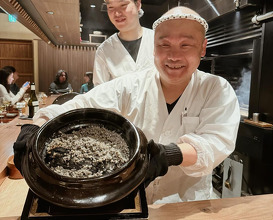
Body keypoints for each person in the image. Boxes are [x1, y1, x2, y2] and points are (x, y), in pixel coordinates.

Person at [14, 6, 240, 204]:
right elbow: (83, 104)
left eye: (185, 45)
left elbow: (216, 142)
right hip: (131, 197)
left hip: (188, 203)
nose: (173, 56)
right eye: (164, 44)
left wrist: (170, 154)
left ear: (202, 48)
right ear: (154, 47)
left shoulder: (216, 89)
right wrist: (37, 125)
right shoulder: (130, 86)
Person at [93, 0, 155, 86]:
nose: (117, 14)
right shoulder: (104, 51)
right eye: (110, 7)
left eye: (123, 5)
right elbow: (100, 94)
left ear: (138, 5)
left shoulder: (158, 41)